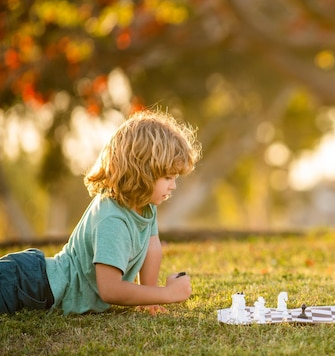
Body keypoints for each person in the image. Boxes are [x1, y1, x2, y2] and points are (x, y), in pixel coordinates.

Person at [0, 109, 202, 315]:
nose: (174, 186)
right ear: (143, 172)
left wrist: (149, 297)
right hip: (27, 283)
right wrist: (167, 293)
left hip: (33, 280)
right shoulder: (112, 218)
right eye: (168, 177)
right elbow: (110, 290)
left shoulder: (146, 205)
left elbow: (152, 247)